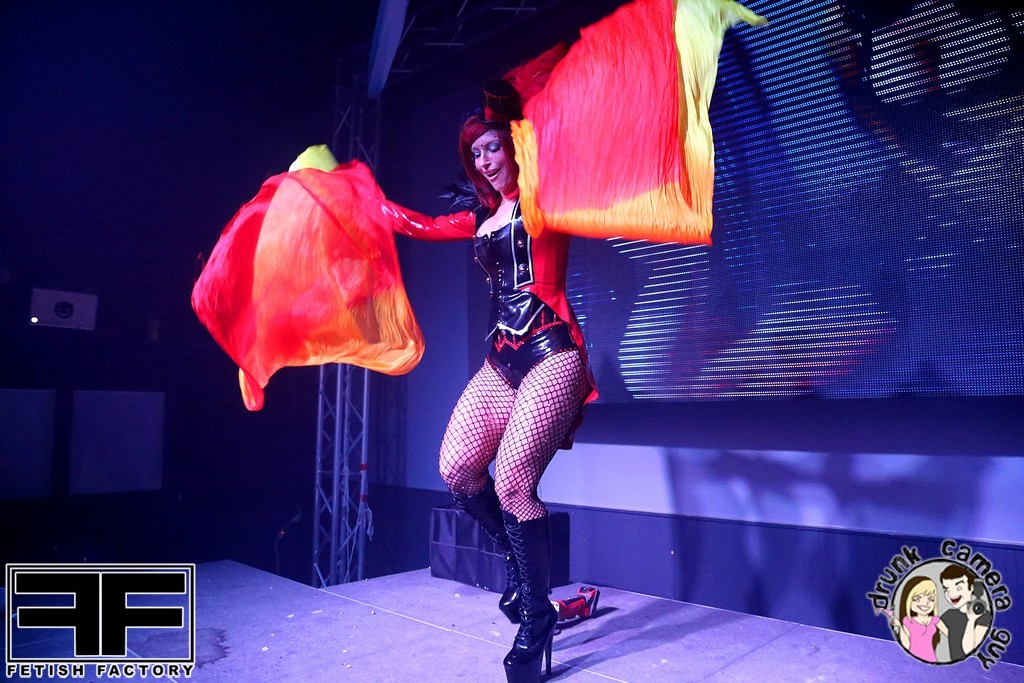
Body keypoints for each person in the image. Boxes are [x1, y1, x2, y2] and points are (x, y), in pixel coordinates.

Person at [385, 80, 597, 683]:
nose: (484, 161)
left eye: (492, 147)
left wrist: (517, 114)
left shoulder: (547, 196)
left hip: (553, 349)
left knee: (514, 482)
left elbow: (557, 144)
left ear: (513, 145)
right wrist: (367, 205)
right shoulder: (481, 215)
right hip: (503, 358)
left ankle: (536, 616)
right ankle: (524, 576)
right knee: (457, 470)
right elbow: (423, 226)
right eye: (475, 153)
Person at [887, 575, 948, 663]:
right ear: (908, 600)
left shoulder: (935, 620)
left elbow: (951, 636)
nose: (925, 603)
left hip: (931, 660)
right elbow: (906, 645)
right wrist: (899, 626)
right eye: (917, 599)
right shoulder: (907, 621)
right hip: (911, 660)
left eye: (931, 599)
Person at [939, 564, 991, 662]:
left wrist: (971, 620)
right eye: (947, 589)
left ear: (971, 587)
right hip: (954, 667)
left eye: (958, 588)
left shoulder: (984, 616)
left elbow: (969, 651)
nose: (951, 594)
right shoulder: (949, 615)